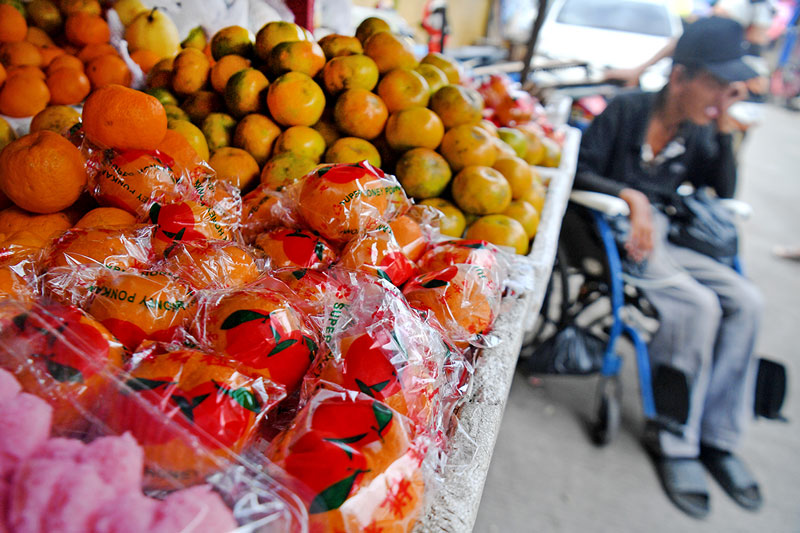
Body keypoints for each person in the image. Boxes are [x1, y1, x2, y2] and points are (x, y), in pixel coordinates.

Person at [574, 17, 764, 519]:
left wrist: (723, 127)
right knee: (698, 308)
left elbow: (722, 194)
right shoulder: (627, 110)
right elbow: (582, 168)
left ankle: (718, 436)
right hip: (618, 234)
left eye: (732, 88)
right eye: (717, 84)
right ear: (680, 77)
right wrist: (630, 197)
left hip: (671, 238)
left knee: (746, 301)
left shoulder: (702, 131)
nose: (724, 94)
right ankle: (675, 438)